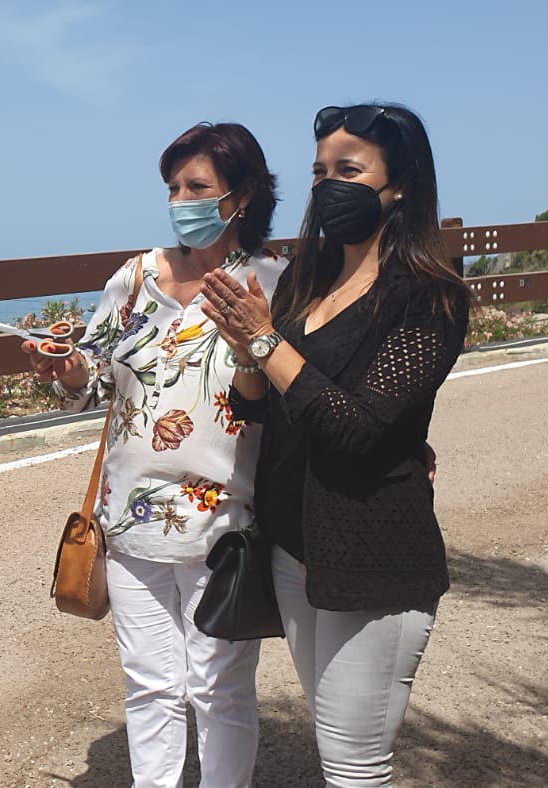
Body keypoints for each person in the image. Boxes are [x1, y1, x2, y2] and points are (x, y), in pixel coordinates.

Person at [201, 103, 470, 787]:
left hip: (373, 553)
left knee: (355, 763)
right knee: (334, 742)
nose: (328, 186)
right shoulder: (305, 278)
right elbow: (254, 404)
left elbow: (356, 431)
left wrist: (266, 340)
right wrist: (246, 349)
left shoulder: (429, 297)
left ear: (401, 184)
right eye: (320, 172)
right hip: (295, 548)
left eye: (348, 170)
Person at [26, 122, 285, 788]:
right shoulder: (136, 277)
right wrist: (64, 370)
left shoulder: (272, 285)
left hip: (225, 522)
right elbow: (96, 375)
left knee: (219, 690)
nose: (180, 201)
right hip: (132, 519)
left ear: (243, 195)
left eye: (196, 186)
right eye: (173, 187)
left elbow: (292, 390)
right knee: (149, 686)